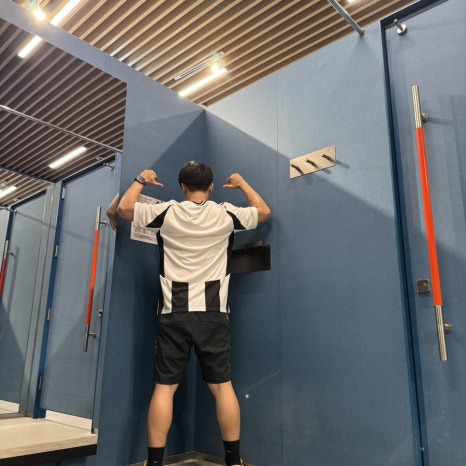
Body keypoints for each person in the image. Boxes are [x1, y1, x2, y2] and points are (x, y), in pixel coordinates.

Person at [116, 161, 271, 466]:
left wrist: (141, 179)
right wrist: (242, 184)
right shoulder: (225, 213)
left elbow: (124, 208)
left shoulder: (166, 212)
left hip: (173, 312)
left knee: (164, 389)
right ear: (211, 187)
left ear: (182, 187)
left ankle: (155, 463)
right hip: (213, 313)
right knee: (222, 387)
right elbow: (264, 212)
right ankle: (233, 462)